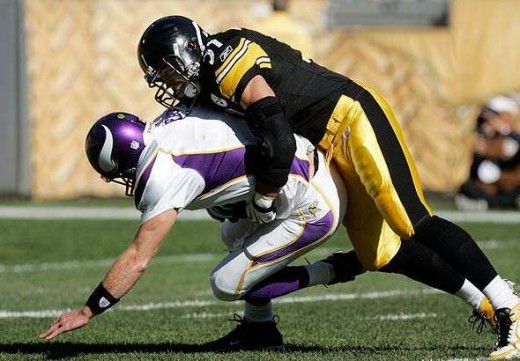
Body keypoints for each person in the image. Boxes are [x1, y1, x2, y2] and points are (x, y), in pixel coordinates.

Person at [136, 16, 520, 359]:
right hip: (323, 141)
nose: (167, 83)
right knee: (380, 253)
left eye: (168, 71)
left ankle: (508, 305)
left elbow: (280, 140)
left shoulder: (227, 65)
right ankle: (482, 304)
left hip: (351, 117)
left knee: (411, 219)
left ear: (187, 52)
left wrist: (266, 196)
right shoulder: (211, 78)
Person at [41, 109, 512, 359]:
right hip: (302, 171)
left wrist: (90, 308)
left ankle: (339, 268)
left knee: (226, 282)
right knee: (232, 234)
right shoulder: (167, 124)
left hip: (311, 200)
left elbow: (140, 256)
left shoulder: (162, 177)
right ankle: (260, 330)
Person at [455, 95, 520, 211]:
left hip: (506, 183)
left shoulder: (509, 137)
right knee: (467, 186)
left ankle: (494, 202)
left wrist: (504, 130)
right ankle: (490, 202)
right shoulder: (480, 131)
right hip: (483, 182)